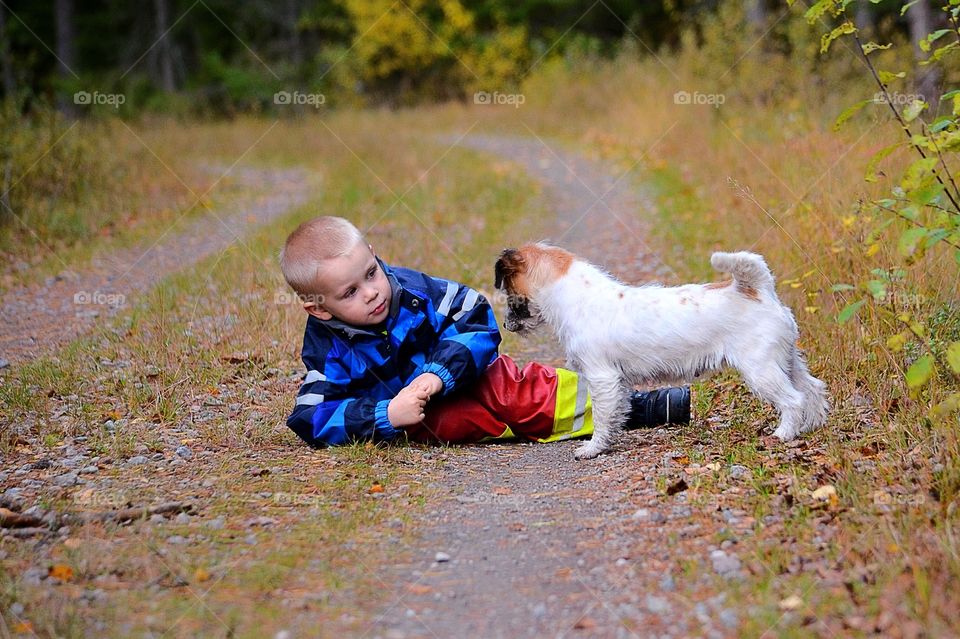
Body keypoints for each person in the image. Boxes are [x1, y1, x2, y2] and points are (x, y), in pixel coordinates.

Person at [279, 216, 690, 448]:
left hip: (467, 376)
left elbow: (474, 315)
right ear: (318, 308)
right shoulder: (328, 352)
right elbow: (311, 417)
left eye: (371, 273)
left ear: (374, 255)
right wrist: (384, 414)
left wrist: (436, 373)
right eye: (350, 292)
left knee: (515, 391)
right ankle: (536, 423)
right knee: (466, 423)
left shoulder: (416, 293)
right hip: (416, 416)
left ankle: (631, 407)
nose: (372, 293)